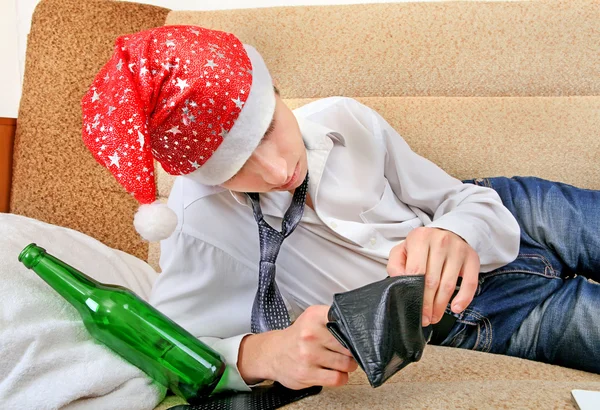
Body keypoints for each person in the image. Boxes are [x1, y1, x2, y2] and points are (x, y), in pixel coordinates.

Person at [82, 25, 600, 393]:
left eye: (267, 130)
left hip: (514, 210)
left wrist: (456, 231)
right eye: (237, 166)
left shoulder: (343, 118)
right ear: (200, 173)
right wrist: (262, 354)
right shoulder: (197, 227)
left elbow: (460, 198)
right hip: (479, 319)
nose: (277, 167)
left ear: (277, 92)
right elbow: (169, 349)